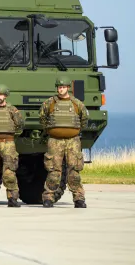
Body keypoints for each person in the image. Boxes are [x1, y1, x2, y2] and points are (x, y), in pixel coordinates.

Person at [39, 76, 88, 208]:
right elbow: (43, 118)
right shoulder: (49, 103)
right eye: (59, 87)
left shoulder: (77, 103)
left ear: (68, 88)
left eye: (63, 87)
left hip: (73, 141)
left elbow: (84, 120)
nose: (61, 89)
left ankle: (79, 198)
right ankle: (48, 197)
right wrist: (52, 131)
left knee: (74, 170)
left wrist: (73, 131)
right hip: (55, 140)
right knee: (54, 170)